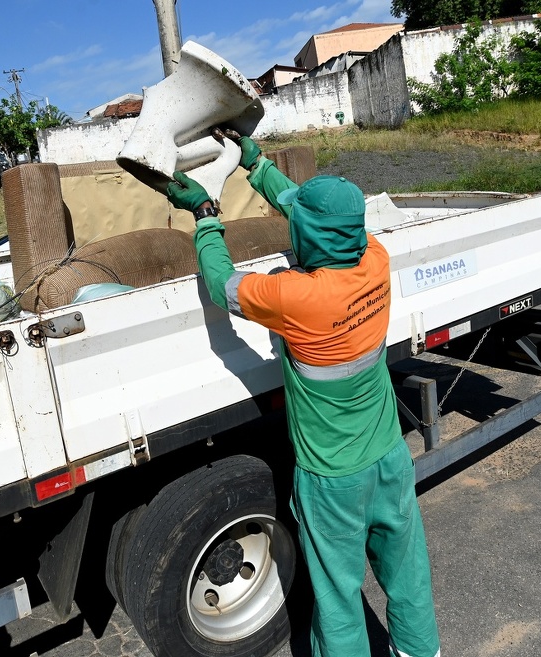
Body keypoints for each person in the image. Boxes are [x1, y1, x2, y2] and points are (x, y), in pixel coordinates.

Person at [165, 132, 441, 657]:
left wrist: (204, 214)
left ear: (307, 232)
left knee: (337, 596)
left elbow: (223, 282)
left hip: (333, 479)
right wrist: (257, 165)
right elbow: (314, 216)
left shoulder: (293, 297)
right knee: (408, 573)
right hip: (389, 458)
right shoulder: (375, 259)